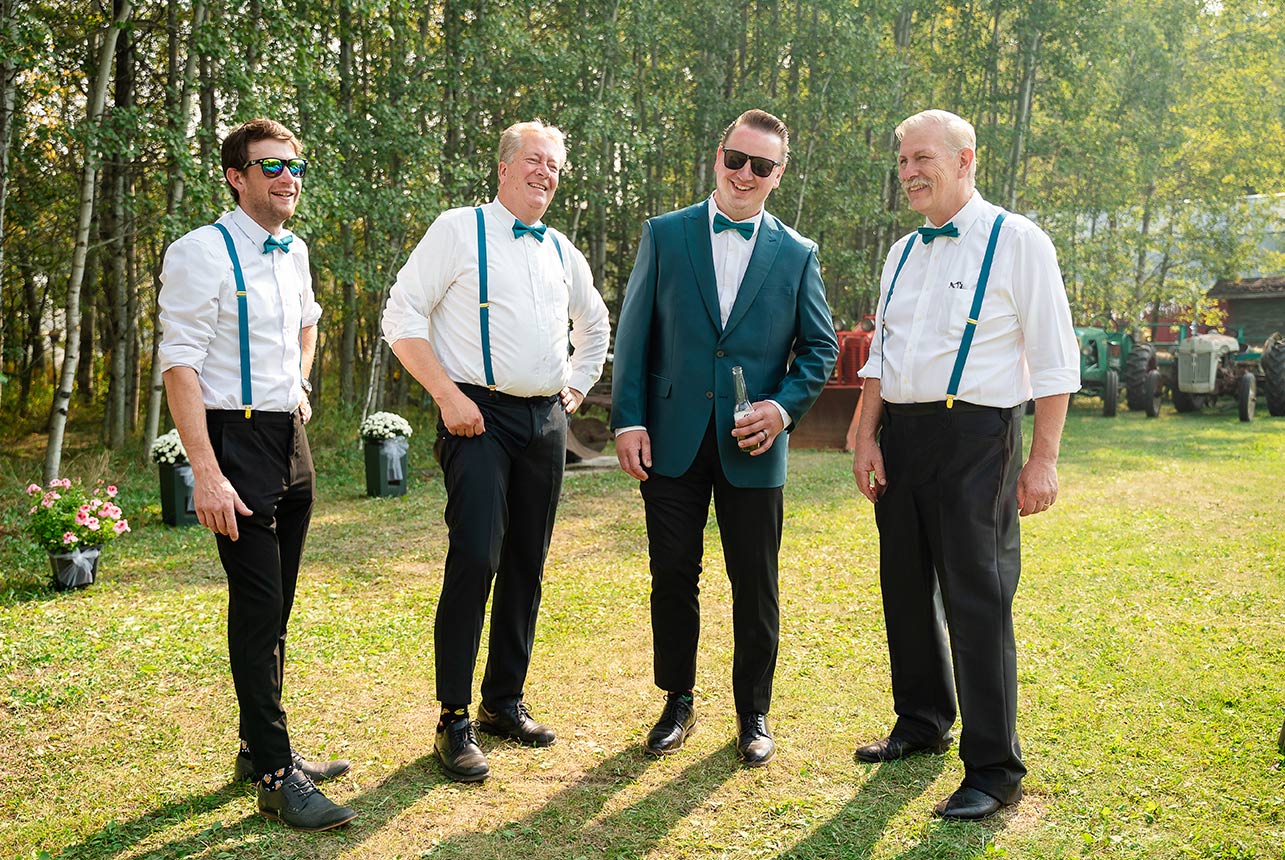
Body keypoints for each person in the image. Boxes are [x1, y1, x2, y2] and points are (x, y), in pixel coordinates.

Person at [851, 109, 1079, 820]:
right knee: (904, 586)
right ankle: (922, 720)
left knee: (977, 598)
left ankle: (992, 767)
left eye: (922, 158)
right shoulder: (899, 253)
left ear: (965, 158)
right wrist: (864, 437)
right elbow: (881, 357)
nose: (910, 172)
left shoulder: (1018, 241)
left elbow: (1053, 359)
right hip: (903, 433)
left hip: (977, 436)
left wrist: (1041, 461)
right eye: (902, 162)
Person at [382, 120, 610, 782]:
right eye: (535, 161)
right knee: (476, 556)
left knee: (526, 563)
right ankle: (452, 718)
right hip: (474, 418)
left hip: (543, 421)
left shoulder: (562, 250)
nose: (546, 173)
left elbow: (592, 325)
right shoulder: (457, 229)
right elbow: (400, 317)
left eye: (556, 166)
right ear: (505, 167)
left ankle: (502, 702)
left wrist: (575, 387)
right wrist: (448, 397)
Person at [612, 109, 838, 767]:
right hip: (671, 441)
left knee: (755, 582)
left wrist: (784, 410)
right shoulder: (665, 233)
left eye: (759, 166)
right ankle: (676, 701)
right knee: (672, 574)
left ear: (778, 175)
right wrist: (629, 420)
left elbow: (818, 349)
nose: (744, 174)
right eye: (735, 160)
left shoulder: (797, 254)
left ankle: (754, 713)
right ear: (718, 159)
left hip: (754, 448)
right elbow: (635, 337)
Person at [159, 118, 356, 832]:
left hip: (287, 435)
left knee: (280, 608)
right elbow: (178, 365)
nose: (287, 178)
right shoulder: (198, 253)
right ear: (236, 177)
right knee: (257, 604)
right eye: (271, 166)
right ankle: (277, 775)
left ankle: (256, 746)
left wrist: (298, 385)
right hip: (230, 440)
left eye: (296, 166)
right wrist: (204, 473)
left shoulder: (293, 250)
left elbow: (308, 321)